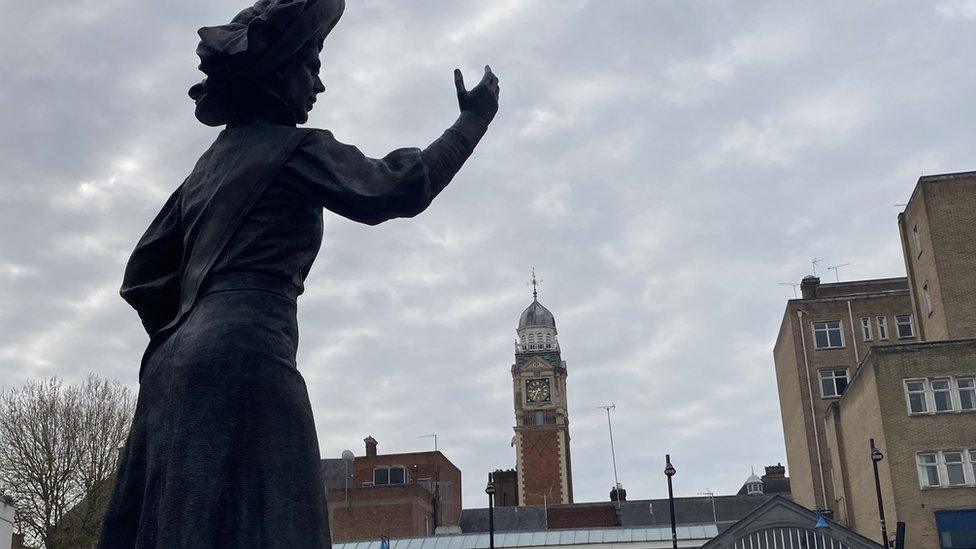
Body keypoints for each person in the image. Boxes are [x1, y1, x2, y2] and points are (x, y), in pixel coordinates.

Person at [99, 0, 498, 546]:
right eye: (310, 63)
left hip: (169, 365)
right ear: (275, 75)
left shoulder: (203, 171)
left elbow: (142, 276)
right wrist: (472, 122)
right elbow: (396, 188)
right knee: (280, 523)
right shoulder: (296, 150)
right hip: (246, 348)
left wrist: (192, 320)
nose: (319, 82)